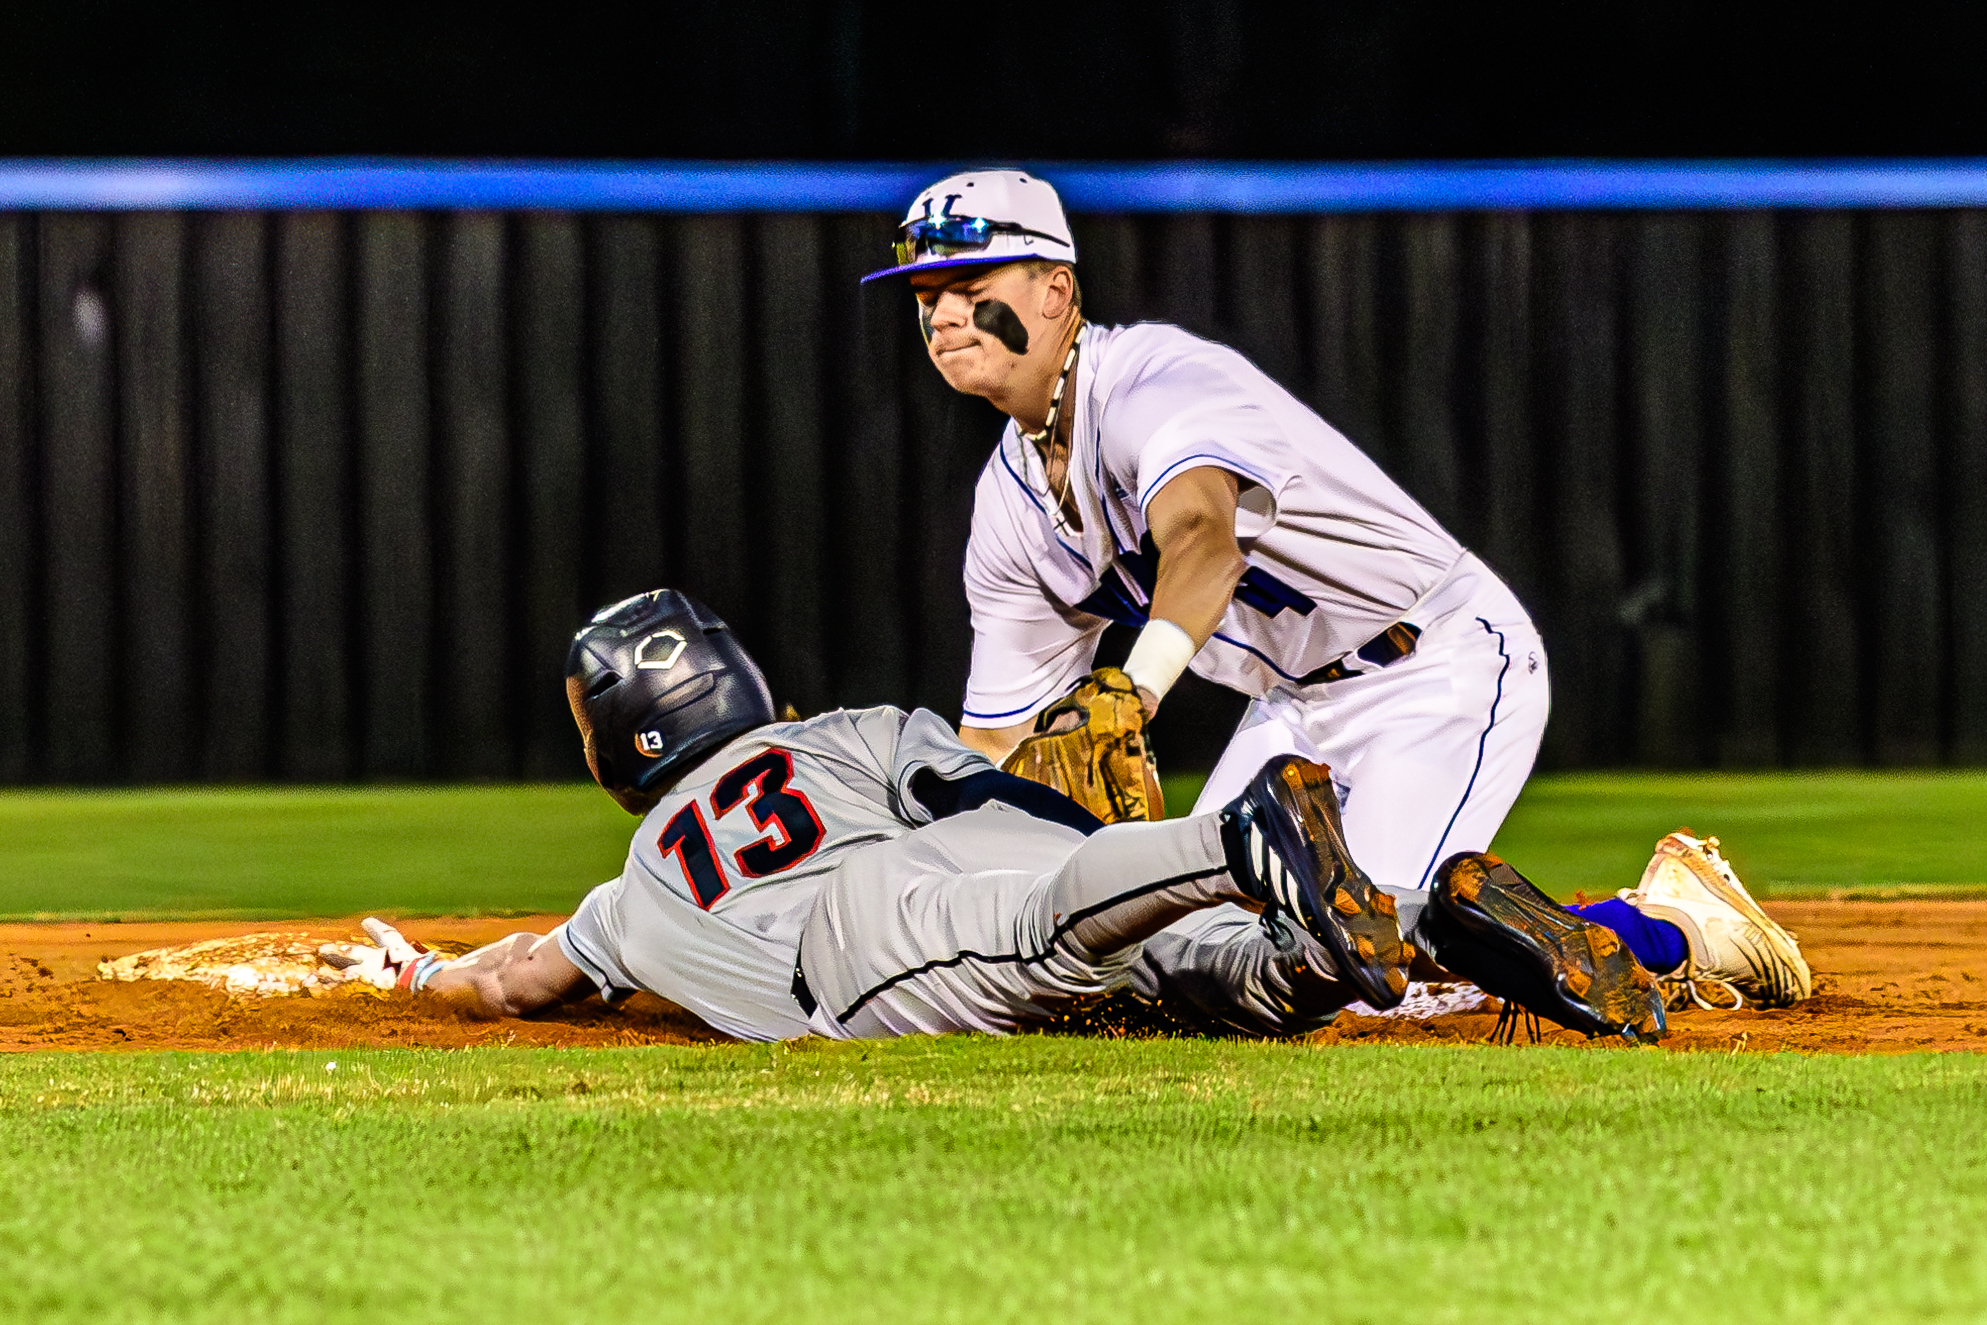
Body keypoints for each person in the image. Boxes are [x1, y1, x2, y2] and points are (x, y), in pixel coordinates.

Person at [862, 169, 1809, 1016]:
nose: (940, 315)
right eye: (922, 295)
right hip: (1294, 710)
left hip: (1435, 661)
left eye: (967, 290)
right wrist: (932, 868)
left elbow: (1203, 536)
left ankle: (1671, 926)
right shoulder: (1009, 507)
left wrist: (1132, 688)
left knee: (1355, 973)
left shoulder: (1155, 381)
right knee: (1182, 952)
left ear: (1057, 290)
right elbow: (998, 743)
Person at [323, 587, 1463, 1041]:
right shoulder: (852, 729)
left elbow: (518, 977)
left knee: (1039, 938)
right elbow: (997, 801)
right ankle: (1432, 924)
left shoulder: (629, 895)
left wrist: (424, 975)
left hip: (857, 948)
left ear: (614, 742)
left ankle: (1240, 837)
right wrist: (1093, 846)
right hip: (953, 844)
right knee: (1185, 969)